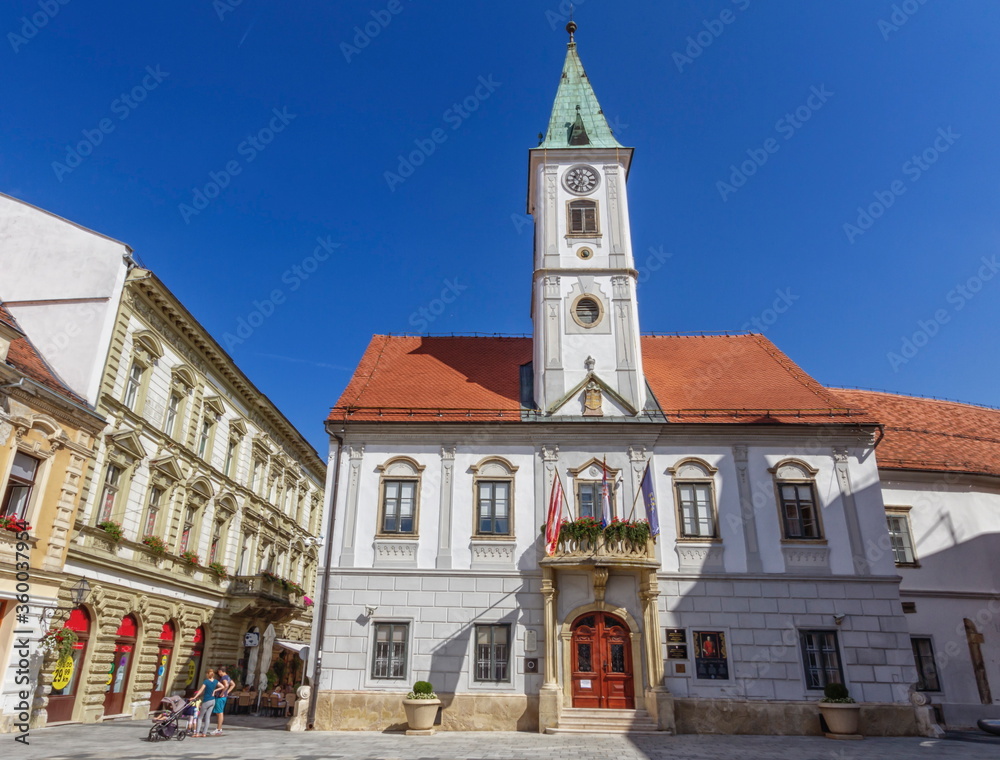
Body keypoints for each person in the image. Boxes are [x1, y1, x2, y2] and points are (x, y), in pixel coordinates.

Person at [190, 668, 222, 737]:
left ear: (207, 674)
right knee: (207, 717)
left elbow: (201, 690)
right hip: (213, 701)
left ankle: (197, 733)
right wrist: (215, 691)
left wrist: (194, 697)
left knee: (200, 717)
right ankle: (204, 733)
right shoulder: (216, 681)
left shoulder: (206, 682)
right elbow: (223, 686)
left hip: (206, 700)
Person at [212, 665, 235, 735]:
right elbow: (233, 684)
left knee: (219, 713)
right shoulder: (228, 677)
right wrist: (227, 692)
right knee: (220, 712)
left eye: (219, 672)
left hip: (220, 697)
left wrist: (222, 692)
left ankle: (218, 729)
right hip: (224, 697)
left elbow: (226, 685)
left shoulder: (224, 677)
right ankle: (219, 728)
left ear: (220, 671)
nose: (219, 674)